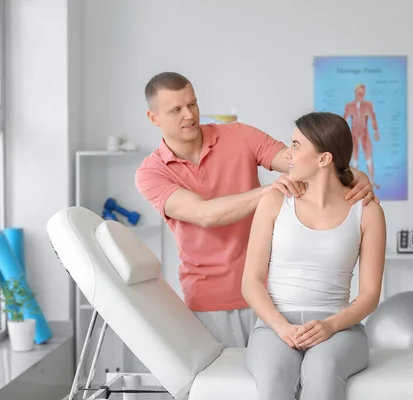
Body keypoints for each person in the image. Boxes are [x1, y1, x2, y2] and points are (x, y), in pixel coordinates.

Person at [134, 72, 378, 348]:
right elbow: (205, 214)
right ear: (154, 118)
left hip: (274, 297)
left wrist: (354, 174)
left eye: (192, 104)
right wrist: (268, 191)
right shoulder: (150, 174)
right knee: (229, 388)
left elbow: (302, 160)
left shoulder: (239, 135)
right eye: (176, 109)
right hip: (212, 301)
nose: (189, 115)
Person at [241, 111, 386, 399]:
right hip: (274, 325)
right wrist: (282, 328)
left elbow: (370, 294)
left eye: (296, 146)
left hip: (340, 327)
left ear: (324, 159)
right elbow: (251, 282)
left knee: (322, 370)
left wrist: (330, 325)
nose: (288, 153)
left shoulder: (367, 211)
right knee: (274, 375)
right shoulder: (274, 201)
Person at [343, 83, 380, 188]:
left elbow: (373, 118)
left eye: (362, 93)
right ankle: (354, 183)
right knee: (354, 159)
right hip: (354, 133)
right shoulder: (350, 106)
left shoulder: (368, 105)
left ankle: (371, 181)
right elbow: (344, 120)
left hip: (364, 133)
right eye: (359, 93)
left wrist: (376, 131)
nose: (361, 95)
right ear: (355, 93)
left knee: (369, 157)